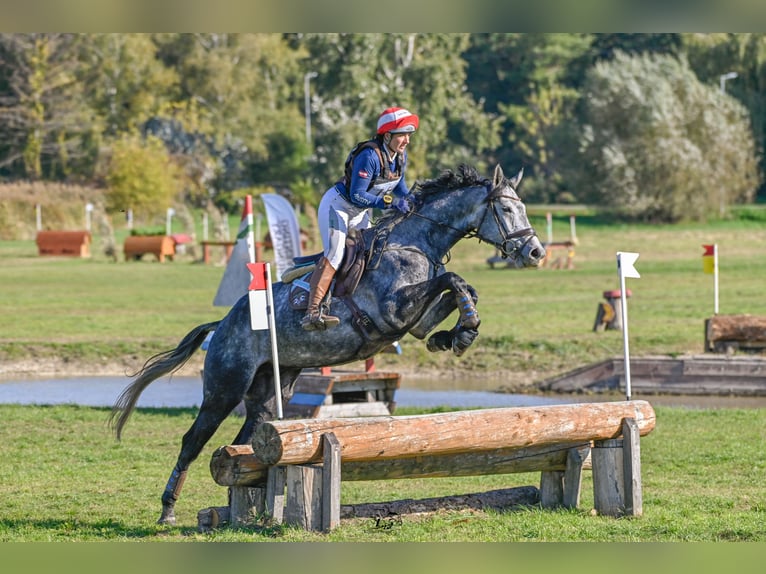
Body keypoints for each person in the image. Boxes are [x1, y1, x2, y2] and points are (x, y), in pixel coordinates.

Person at [301, 106, 418, 331]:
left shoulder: (399, 157)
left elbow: (400, 187)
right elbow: (356, 194)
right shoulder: (369, 156)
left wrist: (414, 201)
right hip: (338, 207)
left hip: (360, 212)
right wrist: (387, 202)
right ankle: (312, 312)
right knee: (336, 255)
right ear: (387, 135)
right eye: (402, 135)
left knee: (371, 254)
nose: (407, 141)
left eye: (409, 135)